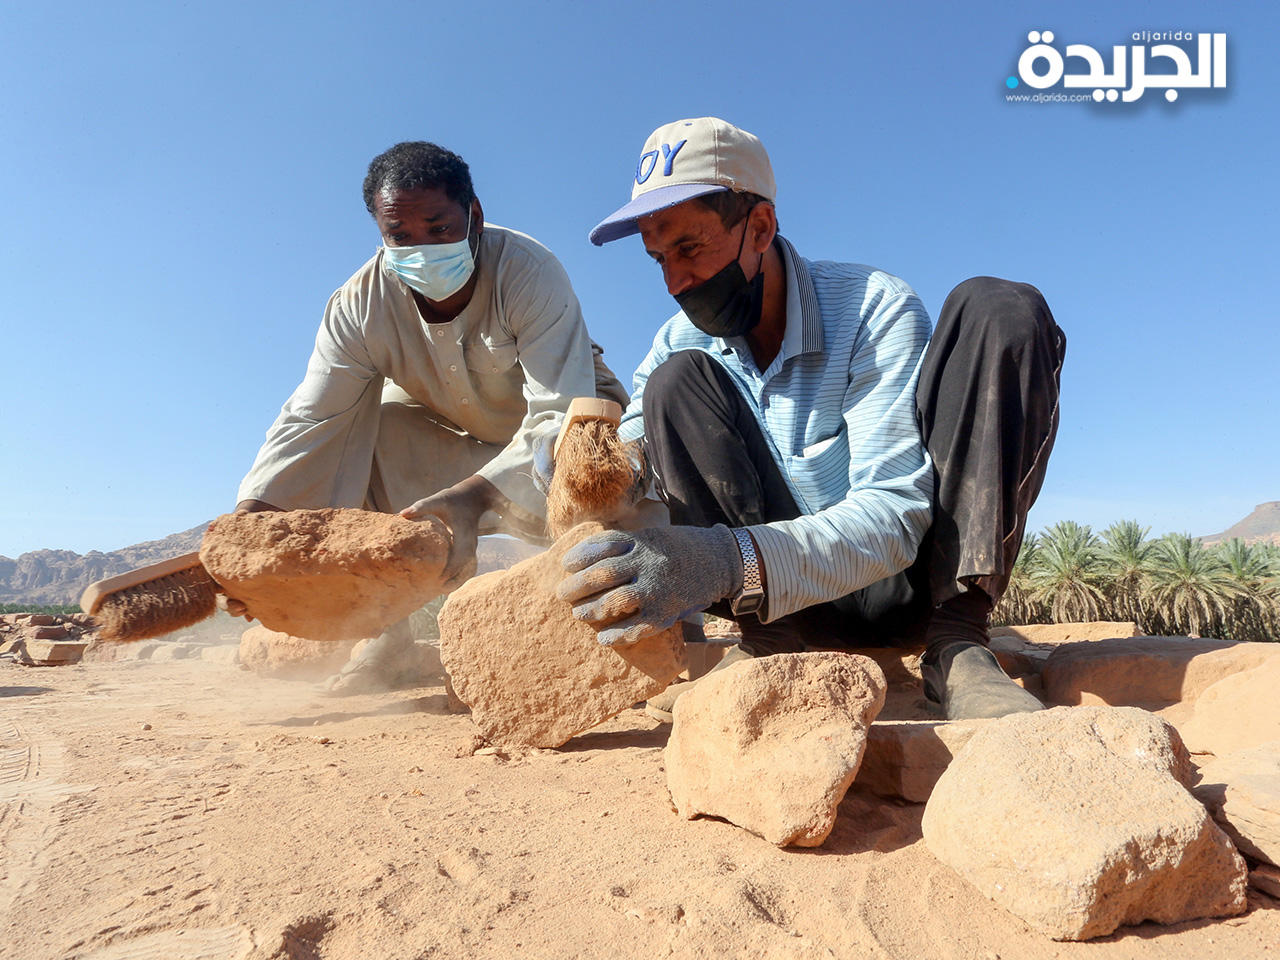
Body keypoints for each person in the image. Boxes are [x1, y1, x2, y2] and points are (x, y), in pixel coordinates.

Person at [556, 117, 1065, 720]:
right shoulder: (678, 342)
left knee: (999, 309)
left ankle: (957, 645)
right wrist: (572, 461)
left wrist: (719, 559)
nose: (675, 281)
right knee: (676, 382)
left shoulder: (874, 306)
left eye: (689, 248)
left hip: (910, 590)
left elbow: (895, 514)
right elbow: (630, 451)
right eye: (658, 258)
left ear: (761, 227)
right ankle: (769, 646)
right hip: (776, 604)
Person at [233, 140, 628, 693]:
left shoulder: (528, 272)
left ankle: (648, 623)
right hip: (458, 448)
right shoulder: (359, 306)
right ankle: (387, 644)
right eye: (401, 237)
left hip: (560, 451)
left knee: (597, 455)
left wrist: (473, 497)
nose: (422, 247)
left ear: (475, 216)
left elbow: (559, 413)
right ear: (380, 233)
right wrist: (250, 521)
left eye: (439, 228)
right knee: (374, 430)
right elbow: (312, 417)